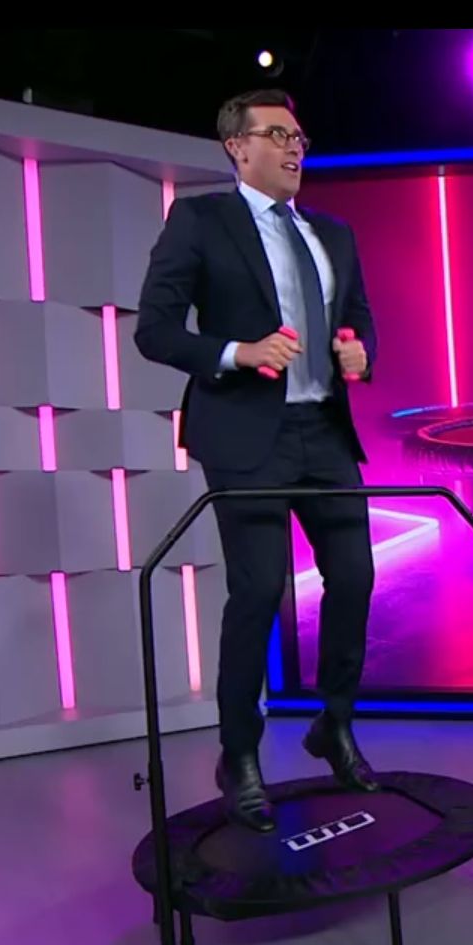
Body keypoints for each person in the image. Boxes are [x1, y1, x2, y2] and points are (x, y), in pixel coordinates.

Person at [134, 88, 380, 834]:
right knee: (260, 590)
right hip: (247, 434)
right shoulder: (201, 221)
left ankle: (334, 722)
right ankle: (239, 753)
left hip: (324, 431)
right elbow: (154, 330)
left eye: (299, 137)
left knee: (356, 578)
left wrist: (359, 353)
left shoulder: (332, 233)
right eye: (277, 135)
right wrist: (236, 352)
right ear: (237, 148)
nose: (294, 148)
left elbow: (358, 319)